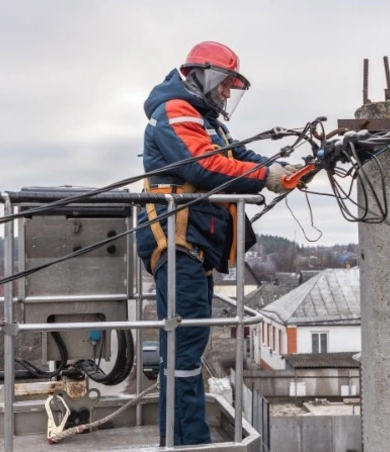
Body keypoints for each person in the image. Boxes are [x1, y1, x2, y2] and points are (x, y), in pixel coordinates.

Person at [136, 41, 294, 446]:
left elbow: (239, 156)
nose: (227, 93)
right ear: (202, 75)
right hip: (177, 242)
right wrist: (267, 177)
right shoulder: (175, 112)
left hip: (195, 245)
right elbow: (203, 166)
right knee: (185, 348)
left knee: (187, 343)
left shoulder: (207, 122)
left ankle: (180, 439)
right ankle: (190, 442)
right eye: (225, 84)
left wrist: (285, 169)